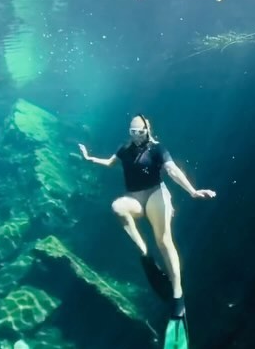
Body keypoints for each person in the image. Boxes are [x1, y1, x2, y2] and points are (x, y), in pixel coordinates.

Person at [78, 114, 215, 317]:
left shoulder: (157, 149)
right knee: (117, 207)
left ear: (147, 130)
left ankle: (178, 295)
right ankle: (145, 256)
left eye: (140, 132)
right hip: (135, 198)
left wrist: (192, 191)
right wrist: (89, 159)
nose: (136, 136)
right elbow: (109, 163)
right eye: (133, 132)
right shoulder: (124, 149)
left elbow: (172, 170)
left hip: (156, 195)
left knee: (163, 241)